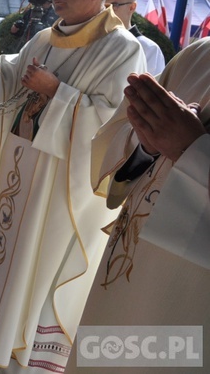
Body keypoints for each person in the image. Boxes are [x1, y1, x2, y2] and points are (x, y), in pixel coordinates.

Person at [0, 0, 146, 373]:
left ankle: (23, 361)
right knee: (3, 260)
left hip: (58, 184)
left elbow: (116, 124)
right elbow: (8, 76)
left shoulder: (121, 48)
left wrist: (58, 91)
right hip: (17, 165)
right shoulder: (44, 38)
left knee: (34, 267)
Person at [65, 39, 210, 373]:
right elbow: (123, 133)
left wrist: (192, 151)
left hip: (186, 297)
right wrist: (145, 142)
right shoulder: (198, 54)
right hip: (128, 270)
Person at [107, 0, 165, 75]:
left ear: (132, 7)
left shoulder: (148, 48)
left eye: (113, 5)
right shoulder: (95, 40)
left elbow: (151, 86)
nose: (106, 10)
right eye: (103, 6)